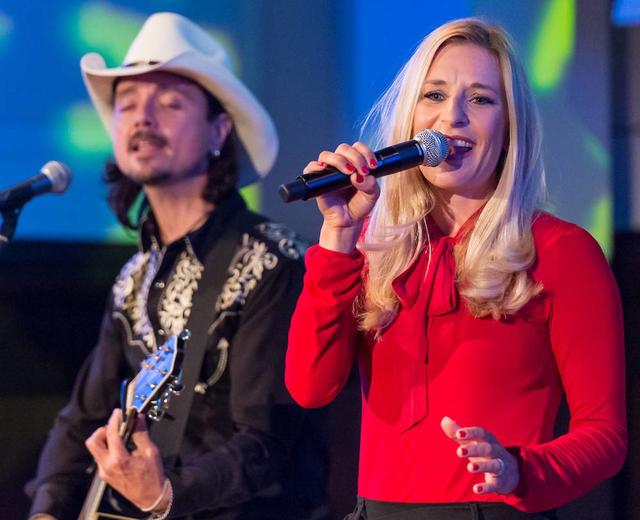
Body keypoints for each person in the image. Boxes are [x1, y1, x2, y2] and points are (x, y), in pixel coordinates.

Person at [285, 17, 626, 520]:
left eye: (481, 99)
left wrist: (518, 469)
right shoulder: (375, 250)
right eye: (435, 96)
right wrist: (338, 235)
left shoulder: (560, 250)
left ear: (510, 127)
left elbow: (606, 436)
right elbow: (310, 388)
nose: (453, 118)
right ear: (411, 118)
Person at [26, 12, 328, 520]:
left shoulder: (273, 261)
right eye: (126, 104)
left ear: (219, 130)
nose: (143, 117)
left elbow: (265, 443)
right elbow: (80, 419)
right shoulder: (133, 278)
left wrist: (166, 495)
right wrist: (48, 510)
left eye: (168, 102)